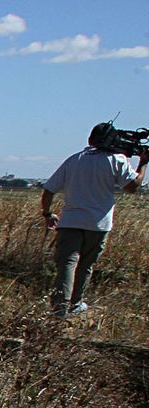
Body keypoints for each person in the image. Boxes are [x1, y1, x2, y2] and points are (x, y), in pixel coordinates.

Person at [40, 122, 149, 318]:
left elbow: (49, 190)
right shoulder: (117, 160)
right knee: (85, 265)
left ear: (90, 139)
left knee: (67, 264)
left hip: (70, 221)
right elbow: (132, 186)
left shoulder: (74, 160)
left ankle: (60, 308)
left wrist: (48, 214)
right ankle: (75, 304)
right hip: (98, 223)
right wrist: (143, 163)